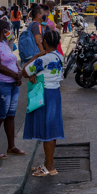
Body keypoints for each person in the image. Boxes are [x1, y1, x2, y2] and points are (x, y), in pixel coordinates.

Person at [23, 30, 65, 176]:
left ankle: (50, 167)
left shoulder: (42, 59)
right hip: (55, 93)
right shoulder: (60, 56)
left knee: (46, 131)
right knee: (52, 130)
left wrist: (35, 56)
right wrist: (36, 74)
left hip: (44, 94)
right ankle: (48, 163)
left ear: (45, 42)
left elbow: (24, 72)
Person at [0, 20, 25, 159]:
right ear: (3, 30)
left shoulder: (4, 43)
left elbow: (13, 60)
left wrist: (18, 73)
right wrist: (16, 75)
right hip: (2, 84)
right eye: (8, 30)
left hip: (13, 84)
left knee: (11, 116)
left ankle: (11, 146)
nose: (10, 33)